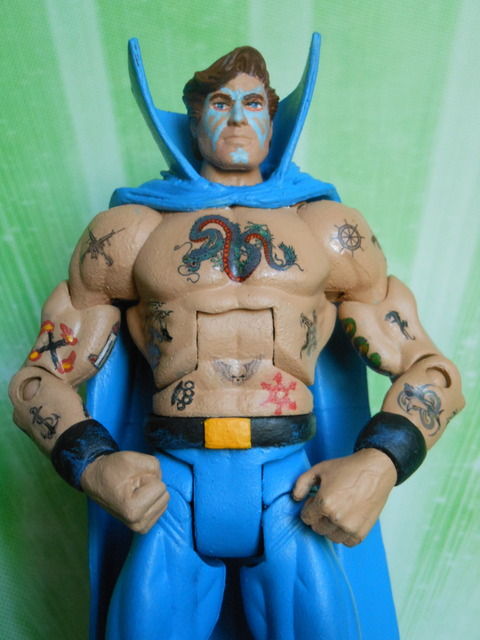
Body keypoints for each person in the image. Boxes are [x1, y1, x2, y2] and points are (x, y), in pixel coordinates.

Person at [9, 35, 464, 640]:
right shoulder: (128, 235)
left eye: (253, 104)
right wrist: (93, 465)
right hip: (171, 487)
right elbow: (37, 382)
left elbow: (432, 371)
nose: (238, 117)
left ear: (275, 122)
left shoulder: (329, 232)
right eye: (221, 103)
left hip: (290, 486)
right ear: (191, 121)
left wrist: (380, 464)